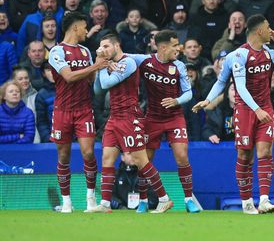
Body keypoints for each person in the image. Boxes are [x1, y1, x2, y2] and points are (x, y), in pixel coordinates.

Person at [192, 14, 274, 214]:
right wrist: (208, 100)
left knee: (265, 152)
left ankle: (265, 200)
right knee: (245, 155)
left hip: (265, 109)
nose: (271, 31)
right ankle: (246, 201)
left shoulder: (270, 53)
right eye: (269, 27)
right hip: (244, 111)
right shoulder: (238, 56)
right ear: (259, 31)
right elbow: (232, 84)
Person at [87, 33, 173, 214]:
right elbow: (97, 90)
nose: (103, 51)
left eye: (106, 47)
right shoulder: (109, 65)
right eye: (100, 47)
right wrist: (100, 65)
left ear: (117, 45)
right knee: (107, 159)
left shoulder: (128, 63)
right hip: (114, 118)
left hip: (129, 117)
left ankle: (165, 199)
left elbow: (107, 83)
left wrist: (101, 66)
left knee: (141, 161)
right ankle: (105, 203)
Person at [125, 30, 200, 213]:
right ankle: (142, 200)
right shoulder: (144, 61)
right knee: (145, 160)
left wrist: (176, 101)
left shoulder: (180, 66)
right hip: (152, 118)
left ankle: (189, 200)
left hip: (175, 117)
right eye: (175, 45)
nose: (179, 48)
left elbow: (189, 93)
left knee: (182, 156)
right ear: (163, 47)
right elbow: (122, 56)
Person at [48, 11, 110, 213]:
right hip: (62, 111)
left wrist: (102, 67)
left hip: (84, 109)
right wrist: (95, 66)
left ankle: (91, 199)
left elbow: (91, 80)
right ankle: (66, 202)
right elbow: (68, 77)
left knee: (89, 152)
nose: (86, 30)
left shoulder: (85, 51)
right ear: (75, 27)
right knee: (64, 157)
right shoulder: (57, 51)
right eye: (84, 26)